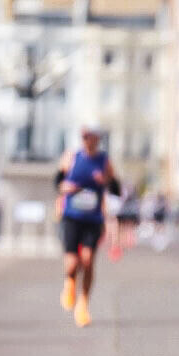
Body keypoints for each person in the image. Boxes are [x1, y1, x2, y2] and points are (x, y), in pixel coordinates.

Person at [56, 125, 118, 328]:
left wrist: (105, 180)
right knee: (73, 263)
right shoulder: (71, 157)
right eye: (83, 137)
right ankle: (70, 283)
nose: (86, 141)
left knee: (88, 260)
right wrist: (65, 187)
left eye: (89, 137)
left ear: (97, 139)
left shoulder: (104, 161)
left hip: (93, 218)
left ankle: (83, 304)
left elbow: (116, 188)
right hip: (72, 217)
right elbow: (57, 183)